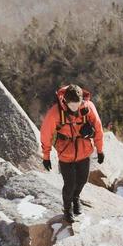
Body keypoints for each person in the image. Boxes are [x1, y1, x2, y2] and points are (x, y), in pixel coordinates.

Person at [40, 82, 105, 223]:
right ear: (65, 101)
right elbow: (46, 134)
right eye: (72, 105)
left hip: (84, 150)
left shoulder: (88, 107)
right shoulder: (55, 112)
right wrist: (46, 156)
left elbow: (98, 128)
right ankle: (67, 209)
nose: (75, 108)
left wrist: (100, 150)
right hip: (66, 152)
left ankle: (76, 199)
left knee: (82, 180)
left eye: (78, 104)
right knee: (69, 183)